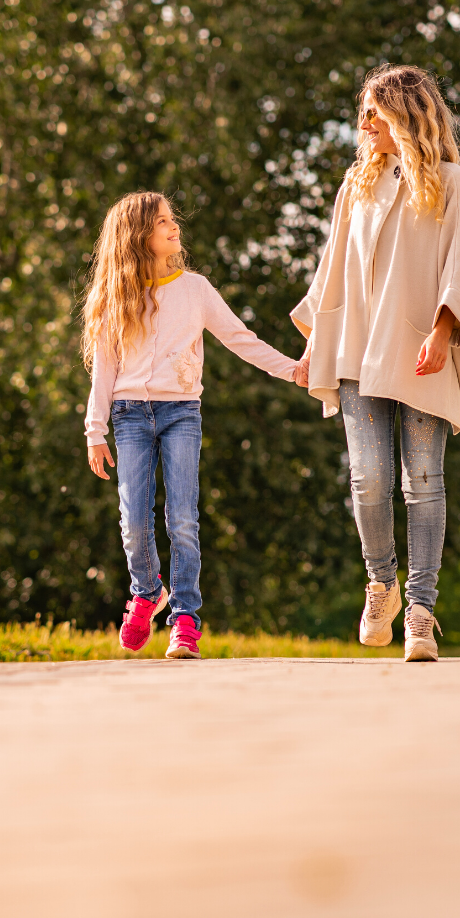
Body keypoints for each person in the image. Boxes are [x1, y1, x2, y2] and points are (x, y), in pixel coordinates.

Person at [291, 64, 460, 661]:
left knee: (424, 483)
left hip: (420, 348)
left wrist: (444, 330)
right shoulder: (356, 183)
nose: (363, 122)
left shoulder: (449, 181)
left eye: (374, 111)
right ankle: (382, 583)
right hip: (358, 347)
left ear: (406, 116)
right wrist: (318, 341)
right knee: (369, 480)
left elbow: (459, 263)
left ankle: (419, 610)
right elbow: (333, 264)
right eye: (362, 110)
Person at [82, 192, 301, 660]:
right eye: (161, 222)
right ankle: (146, 591)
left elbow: (242, 339)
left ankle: (185, 619)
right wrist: (94, 430)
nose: (173, 226)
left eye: (170, 219)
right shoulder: (116, 296)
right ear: (139, 236)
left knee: (183, 519)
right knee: (133, 523)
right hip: (128, 415)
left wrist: (293, 369)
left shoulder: (196, 289)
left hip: (181, 412)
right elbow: (104, 366)